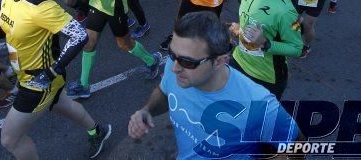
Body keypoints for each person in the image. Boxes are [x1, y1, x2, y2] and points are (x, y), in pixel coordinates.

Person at [128, 12, 300, 159]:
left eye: (187, 61)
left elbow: (297, 148)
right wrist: (147, 110)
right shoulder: (176, 65)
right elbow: (165, 92)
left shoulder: (259, 104)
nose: (174, 67)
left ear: (219, 61)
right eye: (172, 54)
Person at [0, 0, 111, 159]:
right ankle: (98, 131)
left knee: (10, 139)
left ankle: (97, 131)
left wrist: (51, 71)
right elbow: (9, 25)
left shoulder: (42, 7)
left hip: (38, 83)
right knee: (61, 104)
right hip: (24, 74)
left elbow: (79, 35)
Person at [229, 0, 303, 99]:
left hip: (265, 77)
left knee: (259, 122)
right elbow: (252, 22)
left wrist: (265, 43)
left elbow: (297, 48)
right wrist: (240, 29)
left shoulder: (286, 10)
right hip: (237, 61)